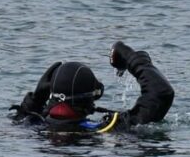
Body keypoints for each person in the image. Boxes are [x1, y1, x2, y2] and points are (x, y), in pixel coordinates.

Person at [11, 41, 174, 133]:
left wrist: (36, 99)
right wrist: (133, 58)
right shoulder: (104, 131)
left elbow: (22, 115)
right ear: (88, 101)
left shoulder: (30, 124)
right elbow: (162, 93)